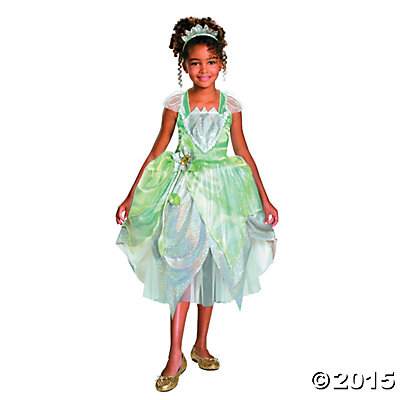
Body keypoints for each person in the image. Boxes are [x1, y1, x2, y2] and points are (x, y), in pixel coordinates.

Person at [115, 16, 279, 392]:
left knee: (213, 267)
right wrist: (131, 194)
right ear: (184, 66)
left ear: (221, 64)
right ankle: (175, 354)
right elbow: (157, 151)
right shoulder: (177, 104)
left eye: (210, 62)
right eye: (195, 63)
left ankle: (201, 344)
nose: (203, 70)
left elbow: (243, 152)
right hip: (185, 195)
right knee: (181, 271)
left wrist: (265, 198)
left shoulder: (230, 105)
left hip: (223, 196)